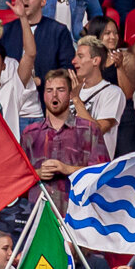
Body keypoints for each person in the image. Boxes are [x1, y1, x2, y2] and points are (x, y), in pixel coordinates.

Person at [21, 69, 108, 210]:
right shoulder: (30, 133)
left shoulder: (89, 129)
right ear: (43, 96)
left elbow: (103, 175)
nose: (54, 95)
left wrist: (68, 169)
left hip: (77, 215)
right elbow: (18, 179)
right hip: (39, 215)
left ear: (69, 95)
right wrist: (37, 173)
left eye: (60, 90)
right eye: (49, 90)